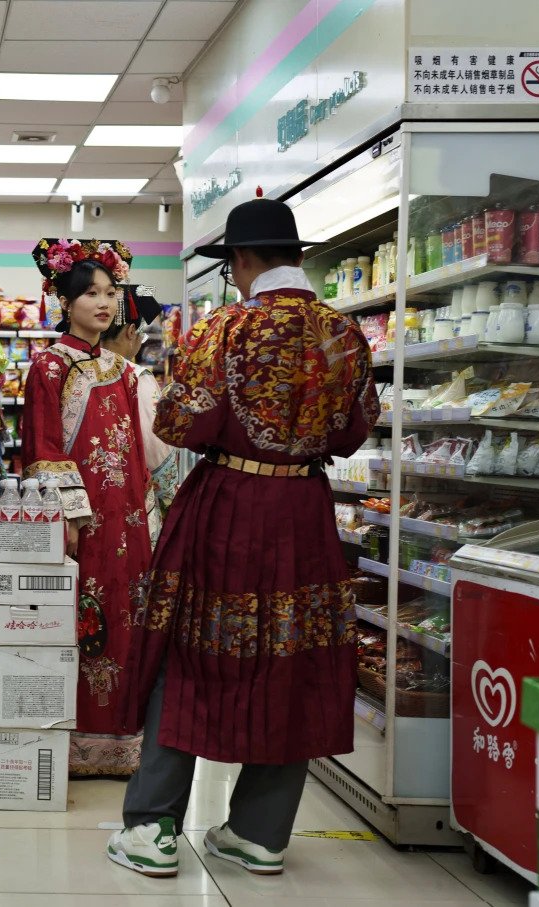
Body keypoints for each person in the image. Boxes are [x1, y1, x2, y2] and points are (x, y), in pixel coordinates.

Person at [107, 198, 378, 878]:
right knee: (294, 656)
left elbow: (178, 421)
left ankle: (154, 826)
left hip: (229, 503)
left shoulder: (225, 328)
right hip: (306, 509)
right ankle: (260, 831)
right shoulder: (344, 334)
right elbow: (354, 429)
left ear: (241, 263)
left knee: (193, 648)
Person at [23, 239, 155, 778]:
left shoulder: (123, 373)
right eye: (90, 294)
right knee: (79, 624)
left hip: (127, 518)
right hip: (81, 522)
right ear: (65, 301)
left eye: (109, 293)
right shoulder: (49, 367)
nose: (104, 303)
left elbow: (140, 453)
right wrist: (68, 519)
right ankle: (71, 746)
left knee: (127, 624)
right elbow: (42, 447)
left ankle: (122, 745)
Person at [98, 285, 180, 545]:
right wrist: (170, 499)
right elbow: (156, 452)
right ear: (131, 331)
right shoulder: (136, 377)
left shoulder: (75, 368)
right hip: (128, 503)